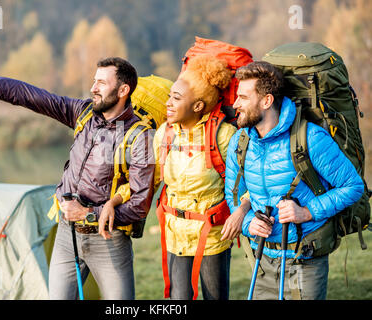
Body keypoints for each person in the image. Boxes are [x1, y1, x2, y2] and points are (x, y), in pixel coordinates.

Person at [0, 57, 155, 300]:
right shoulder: (82, 113)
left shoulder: (141, 137)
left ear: (123, 90)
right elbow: (28, 95)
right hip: (66, 234)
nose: (93, 88)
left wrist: (87, 214)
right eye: (94, 81)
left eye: (101, 83)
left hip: (109, 241)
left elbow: (140, 206)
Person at [224, 61, 364, 300]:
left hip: (305, 260)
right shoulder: (239, 143)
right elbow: (234, 195)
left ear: (267, 101)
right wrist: (248, 222)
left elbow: (353, 186)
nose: (235, 104)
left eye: (243, 97)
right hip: (262, 259)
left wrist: (306, 212)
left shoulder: (311, 138)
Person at [144, 54, 250, 300]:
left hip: (212, 234)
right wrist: (120, 201)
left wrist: (241, 211)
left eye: (177, 98)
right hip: (175, 233)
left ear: (198, 106)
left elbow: (247, 182)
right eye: (170, 95)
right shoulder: (165, 134)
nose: (168, 103)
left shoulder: (224, 136)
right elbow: (152, 179)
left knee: (215, 297)